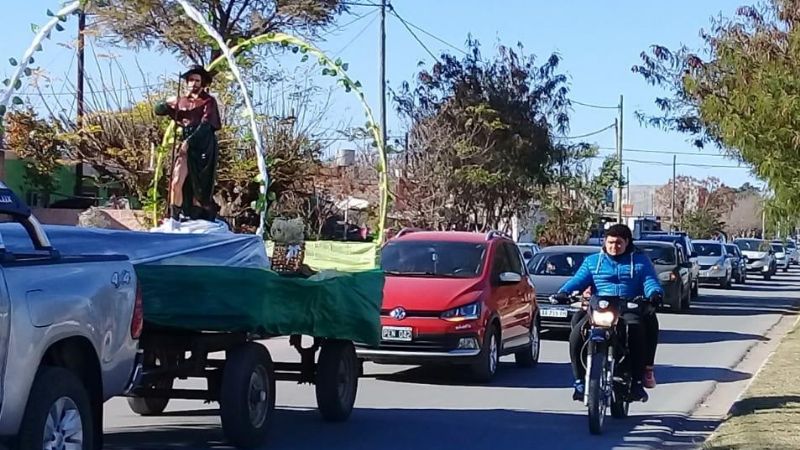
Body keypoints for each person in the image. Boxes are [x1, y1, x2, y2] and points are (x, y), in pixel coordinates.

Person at [553, 224, 663, 403]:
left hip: (627, 308)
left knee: (637, 330)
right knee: (576, 334)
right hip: (600, 308)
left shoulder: (641, 261)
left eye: (618, 243)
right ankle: (579, 381)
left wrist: (654, 294)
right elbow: (578, 280)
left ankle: (637, 382)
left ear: (627, 242)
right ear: (604, 242)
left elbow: (650, 281)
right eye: (610, 242)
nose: (614, 246)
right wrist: (564, 292)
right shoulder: (592, 261)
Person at [155, 65, 222, 222]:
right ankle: (174, 216)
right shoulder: (181, 101)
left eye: (197, 80)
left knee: (200, 185)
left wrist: (190, 141)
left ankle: (197, 215)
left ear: (202, 83)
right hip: (186, 143)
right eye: (191, 80)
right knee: (176, 181)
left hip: (203, 144)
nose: (194, 83)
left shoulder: (209, 101)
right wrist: (167, 102)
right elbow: (158, 110)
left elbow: (207, 124)